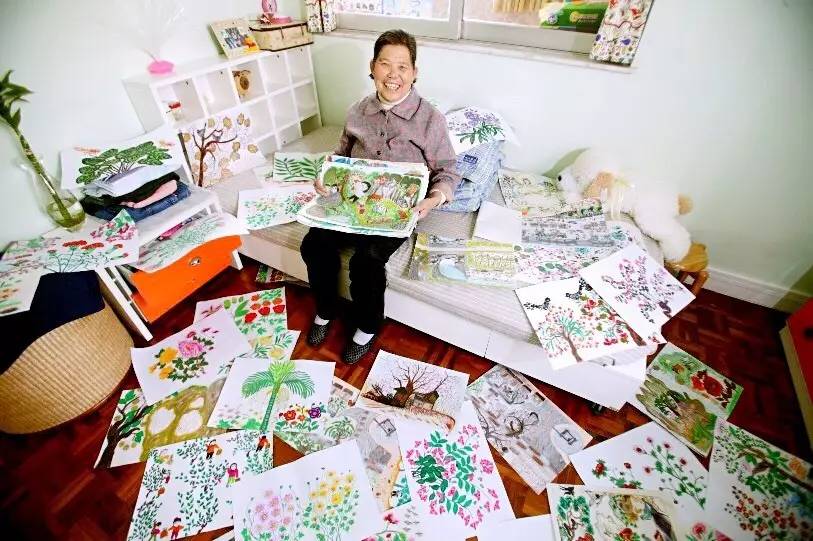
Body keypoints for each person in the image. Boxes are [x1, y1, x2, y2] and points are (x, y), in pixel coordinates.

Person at [300, 29, 461, 365]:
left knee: (367, 262)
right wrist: (326, 177)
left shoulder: (430, 119)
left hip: (397, 210)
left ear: (415, 73)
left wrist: (433, 199)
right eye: (385, 64)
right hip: (352, 201)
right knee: (314, 244)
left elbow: (447, 170)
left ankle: (368, 326)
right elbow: (341, 155)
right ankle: (326, 308)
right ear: (372, 67)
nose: (393, 74)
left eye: (403, 67)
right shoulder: (357, 111)